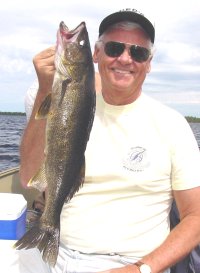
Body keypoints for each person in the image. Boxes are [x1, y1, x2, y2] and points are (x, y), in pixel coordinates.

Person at [19, 8, 200, 273]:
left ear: (149, 63)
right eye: (114, 48)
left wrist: (141, 269)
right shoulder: (63, 104)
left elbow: (195, 217)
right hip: (54, 251)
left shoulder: (172, 125)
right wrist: (46, 88)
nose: (125, 59)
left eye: (138, 52)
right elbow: (27, 178)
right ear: (96, 53)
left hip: (129, 263)